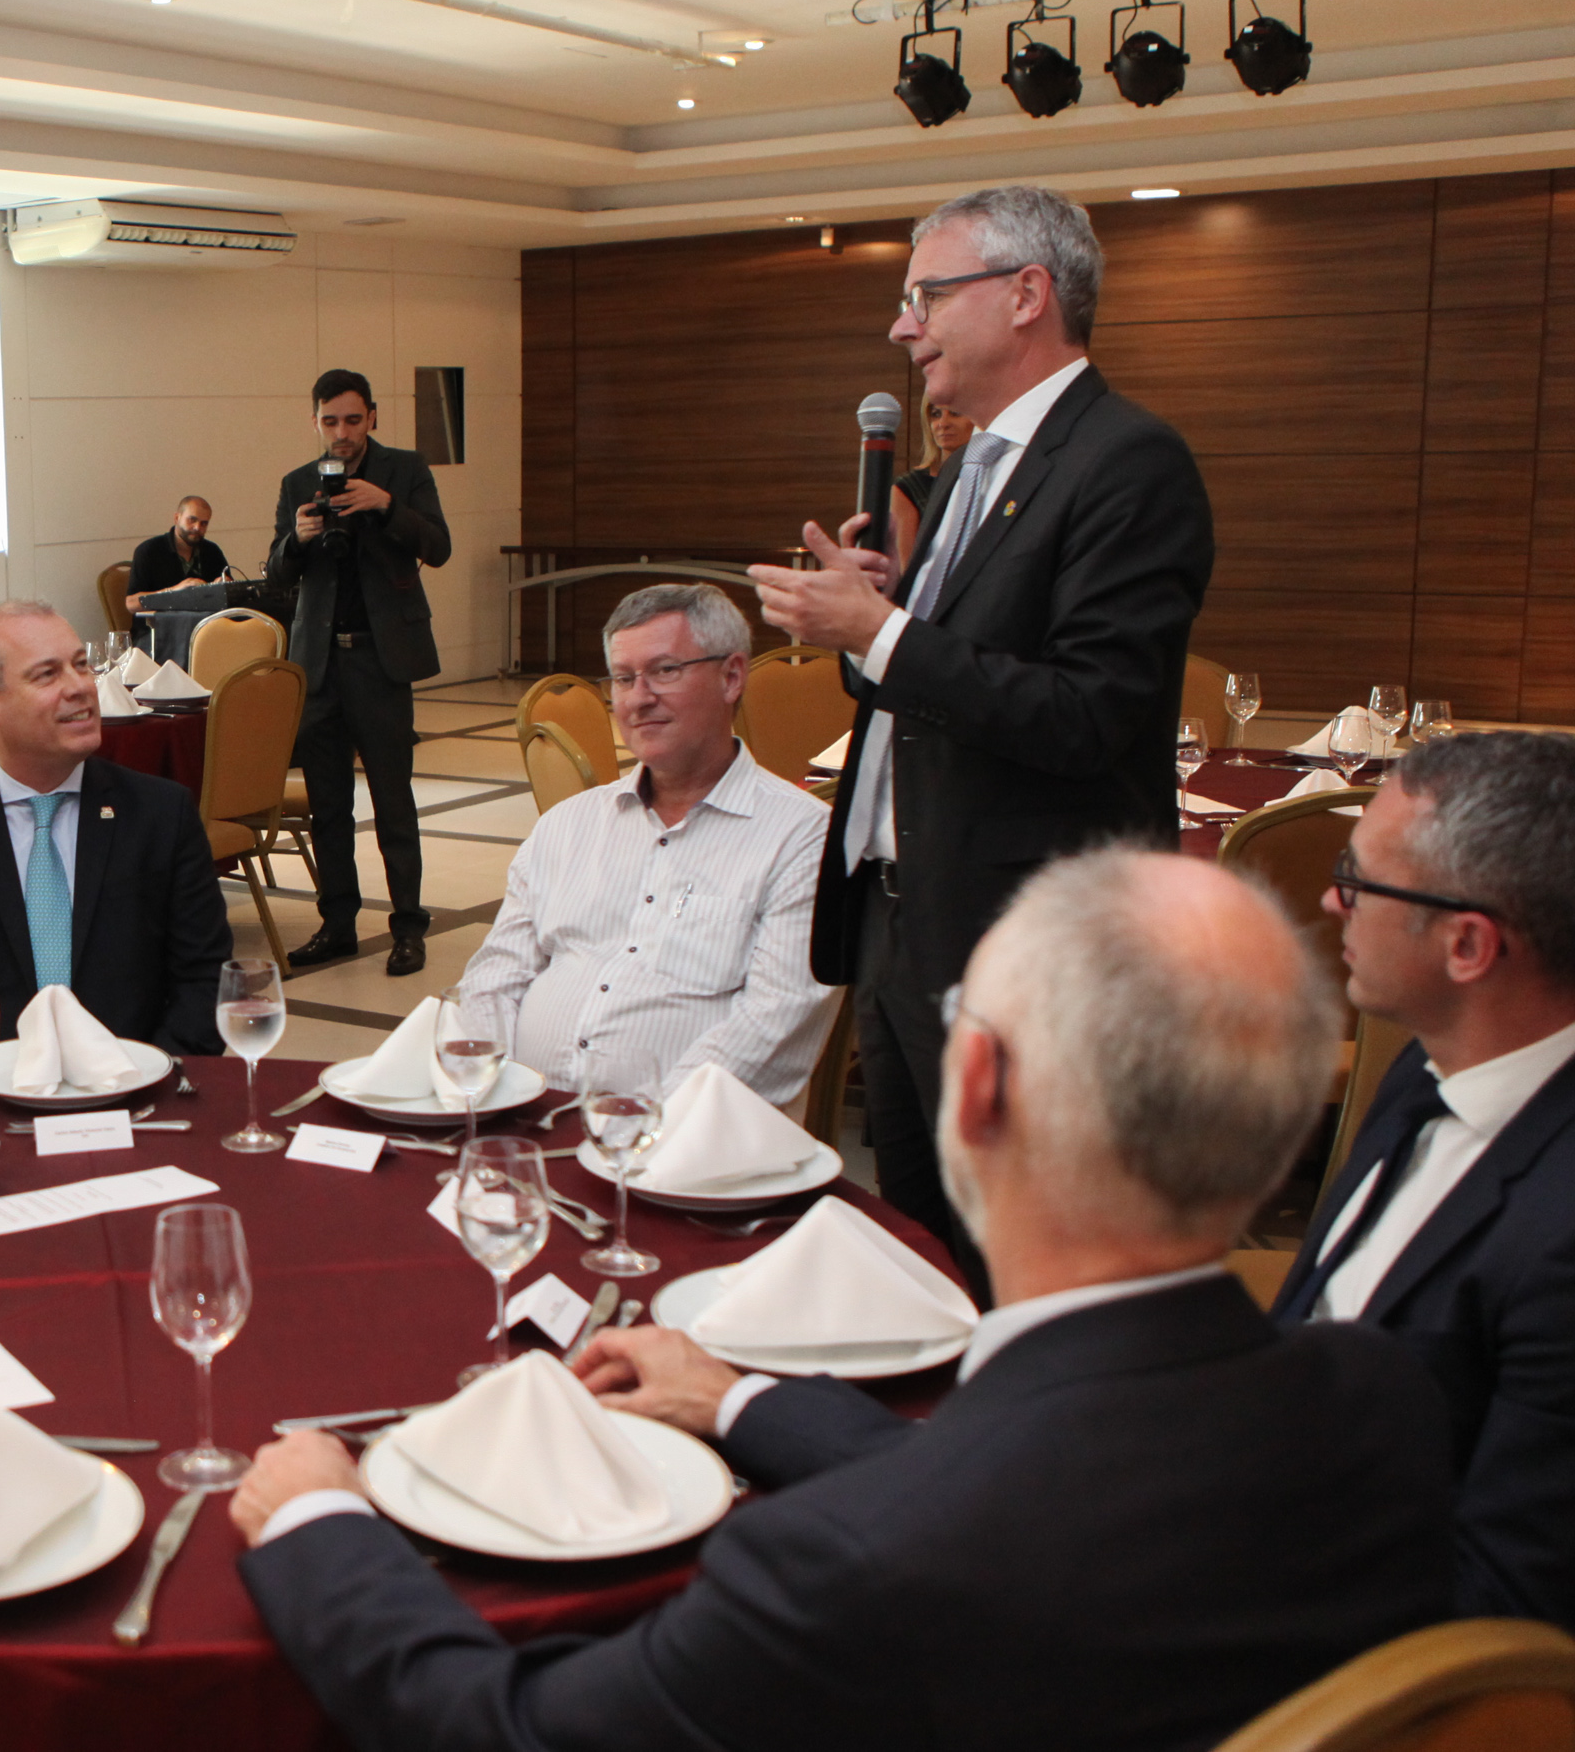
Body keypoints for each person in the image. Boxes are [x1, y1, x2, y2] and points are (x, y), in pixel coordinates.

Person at [231, 850, 1454, 1752]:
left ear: (975, 1086)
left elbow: (511, 1731)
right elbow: (1042, 1485)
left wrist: (318, 1524)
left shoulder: (851, 1564)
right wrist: (746, 1401)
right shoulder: (1380, 1397)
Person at [749, 183, 1213, 1289]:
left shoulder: (1128, 462)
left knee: (1028, 1259)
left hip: (1022, 945)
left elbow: (1088, 715)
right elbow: (936, 679)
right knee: (924, 1252)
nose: (901, 328)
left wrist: (885, 632)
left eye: (926, 297)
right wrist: (880, 616)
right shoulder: (972, 464)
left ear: (1026, 295)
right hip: (901, 920)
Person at [1270, 732, 1575, 1628]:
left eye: (1358, 881)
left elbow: (1503, 1602)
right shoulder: (1427, 1065)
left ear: (1468, 944)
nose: (1330, 900)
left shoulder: (1559, 1239)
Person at [459, 584, 836, 1104]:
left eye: (665, 670)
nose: (638, 698)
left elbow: (773, 1023)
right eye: (623, 678)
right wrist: (491, 1095)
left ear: (731, 676)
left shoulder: (803, 837)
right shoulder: (567, 825)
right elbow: (496, 976)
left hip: (688, 1139)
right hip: (525, 1120)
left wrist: (632, 1128)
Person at [0, 601, 229, 1073]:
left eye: (81, 665)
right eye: (47, 674)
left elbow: (207, 982)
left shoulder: (160, 814)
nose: (80, 687)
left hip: (140, 1091)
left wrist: (146, 1076)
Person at [266, 369, 452, 977]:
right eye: (329, 421)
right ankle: (337, 925)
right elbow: (276, 574)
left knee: (393, 801)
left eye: (352, 419)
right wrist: (298, 539)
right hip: (319, 664)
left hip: (380, 658)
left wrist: (386, 506)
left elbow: (438, 547)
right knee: (328, 806)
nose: (341, 432)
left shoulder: (405, 470)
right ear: (315, 422)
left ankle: (408, 928)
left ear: (372, 416)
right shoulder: (298, 481)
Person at [886, 387, 974, 572]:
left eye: (955, 413)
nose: (943, 423)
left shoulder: (992, 477)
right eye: (935, 414)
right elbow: (907, 570)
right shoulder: (909, 488)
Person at [126, 496, 229, 611]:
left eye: (204, 523)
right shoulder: (148, 550)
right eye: (192, 520)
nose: (197, 527)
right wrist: (173, 591)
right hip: (161, 620)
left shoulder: (212, 551)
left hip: (205, 620)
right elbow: (131, 604)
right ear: (177, 518)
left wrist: (225, 587)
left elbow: (230, 597)